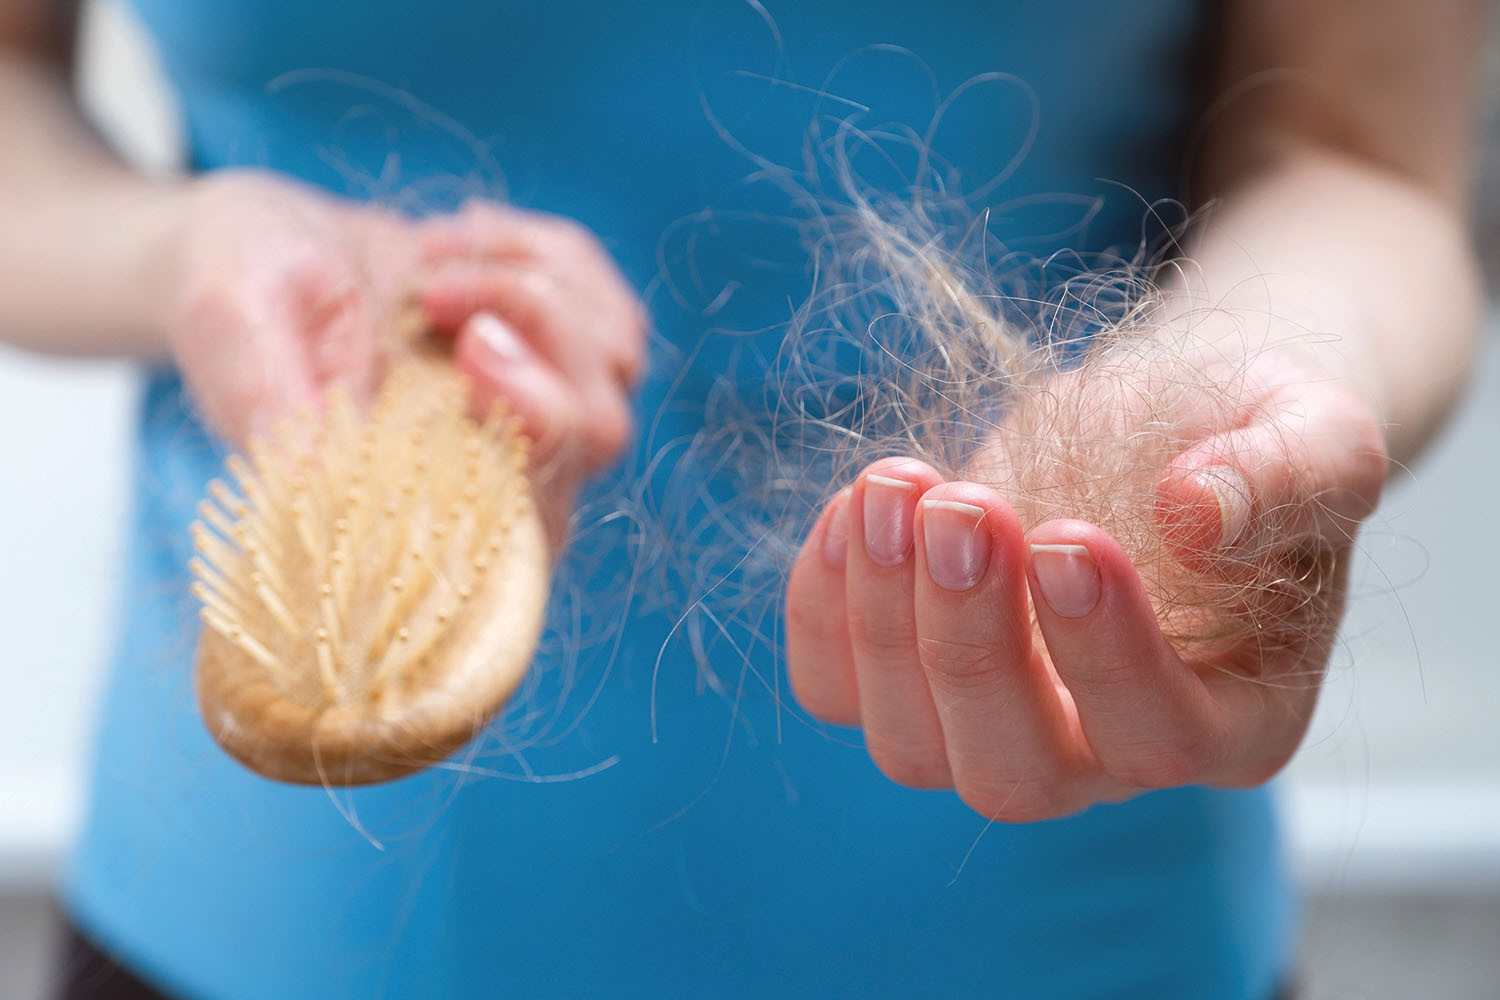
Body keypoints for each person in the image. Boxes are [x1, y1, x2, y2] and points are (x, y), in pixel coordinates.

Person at [0, 1, 1484, 997]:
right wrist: (183, 251)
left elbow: (1355, 161)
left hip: (1068, 930)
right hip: (244, 935)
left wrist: (1260, 392)